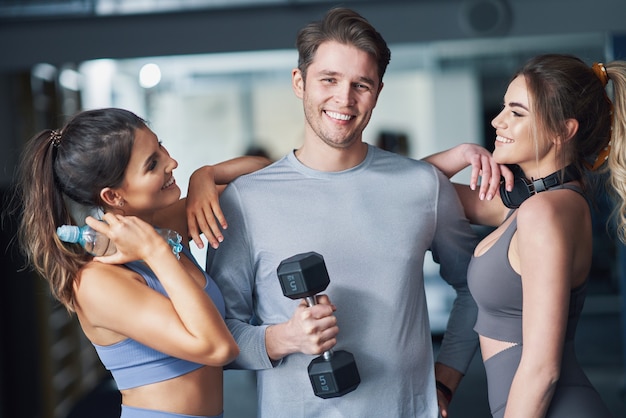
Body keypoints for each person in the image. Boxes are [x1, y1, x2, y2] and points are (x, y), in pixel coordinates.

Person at [187, 7, 479, 418]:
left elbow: (476, 287)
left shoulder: (423, 185)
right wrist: (283, 338)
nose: (344, 98)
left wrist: (445, 381)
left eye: (362, 84)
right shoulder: (244, 200)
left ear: (377, 92)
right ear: (299, 82)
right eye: (329, 80)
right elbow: (218, 336)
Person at [12, 107, 270, 418]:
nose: (171, 162)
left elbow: (266, 175)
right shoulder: (97, 282)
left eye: (160, 147)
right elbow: (219, 349)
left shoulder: (165, 224)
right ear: (114, 196)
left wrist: (206, 174)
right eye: (152, 164)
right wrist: (155, 251)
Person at [425, 54, 624, 417]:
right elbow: (411, 193)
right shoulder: (531, 204)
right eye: (504, 108)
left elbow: (542, 370)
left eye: (517, 113)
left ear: (563, 131)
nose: (497, 121)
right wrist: (460, 154)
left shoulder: (542, 213)